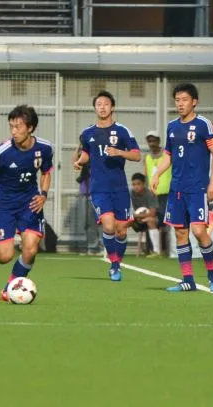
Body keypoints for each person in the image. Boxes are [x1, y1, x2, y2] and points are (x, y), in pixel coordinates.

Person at [151, 83, 213, 293]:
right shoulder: (172, 126)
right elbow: (168, 155)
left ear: (194, 102)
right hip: (177, 189)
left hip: (197, 188)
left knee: (199, 231)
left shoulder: (204, 124)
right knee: (180, 233)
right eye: (177, 100)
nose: (180, 104)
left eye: (184, 100)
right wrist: (157, 173)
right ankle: (188, 280)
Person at [0, 105, 53, 302]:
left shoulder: (45, 148)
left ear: (30, 128)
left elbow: (46, 172)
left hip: (30, 204)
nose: (13, 131)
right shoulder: (1, 152)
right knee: (5, 256)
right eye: (11, 126)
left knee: (31, 249)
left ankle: (9, 289)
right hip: (4, 206)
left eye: (18, 127)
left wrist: (44, 195)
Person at [73, 90, 141, 281]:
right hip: (99, 188)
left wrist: (120, 152)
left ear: (112, 107)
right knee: (109, 226)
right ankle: (114, 265)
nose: (102, 107)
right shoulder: (88, 133)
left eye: (106, 104)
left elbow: (137, 155)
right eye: (99, 104)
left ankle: (116, 264)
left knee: (121, 230)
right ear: (95, 108)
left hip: (120, 188)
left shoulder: (123, 131)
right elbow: (87, 154)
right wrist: (80, 162)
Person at [72, 144, 102, 255]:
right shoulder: (83, 158)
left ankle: (100, 246)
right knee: (87, 222)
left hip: (97, 193)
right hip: (85, 193)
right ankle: (91, 246)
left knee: (98, 221)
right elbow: (75, 161)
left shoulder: (97, 156)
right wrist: (79, 145)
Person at [129, 173, 162, 256]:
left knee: (150, 220)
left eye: (138, 184)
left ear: (143, 184)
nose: (136, 186)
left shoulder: (150, 193)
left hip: (153, 219)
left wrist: (136, 216)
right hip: (137, 220)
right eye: (134, 184)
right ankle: (116, 249)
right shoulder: (130, 193)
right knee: (121, 222)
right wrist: (135, 216)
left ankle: (156, 251)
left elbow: (152, 213)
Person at [144, 130, 171, 219]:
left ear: (158, 141)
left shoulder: (167, 155)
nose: (152, 144)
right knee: (153, 220)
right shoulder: (147, 157)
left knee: (165, 220)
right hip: (152, 195)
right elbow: (145, 175)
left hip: (167, 194)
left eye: (154, 141)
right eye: (149, 141)